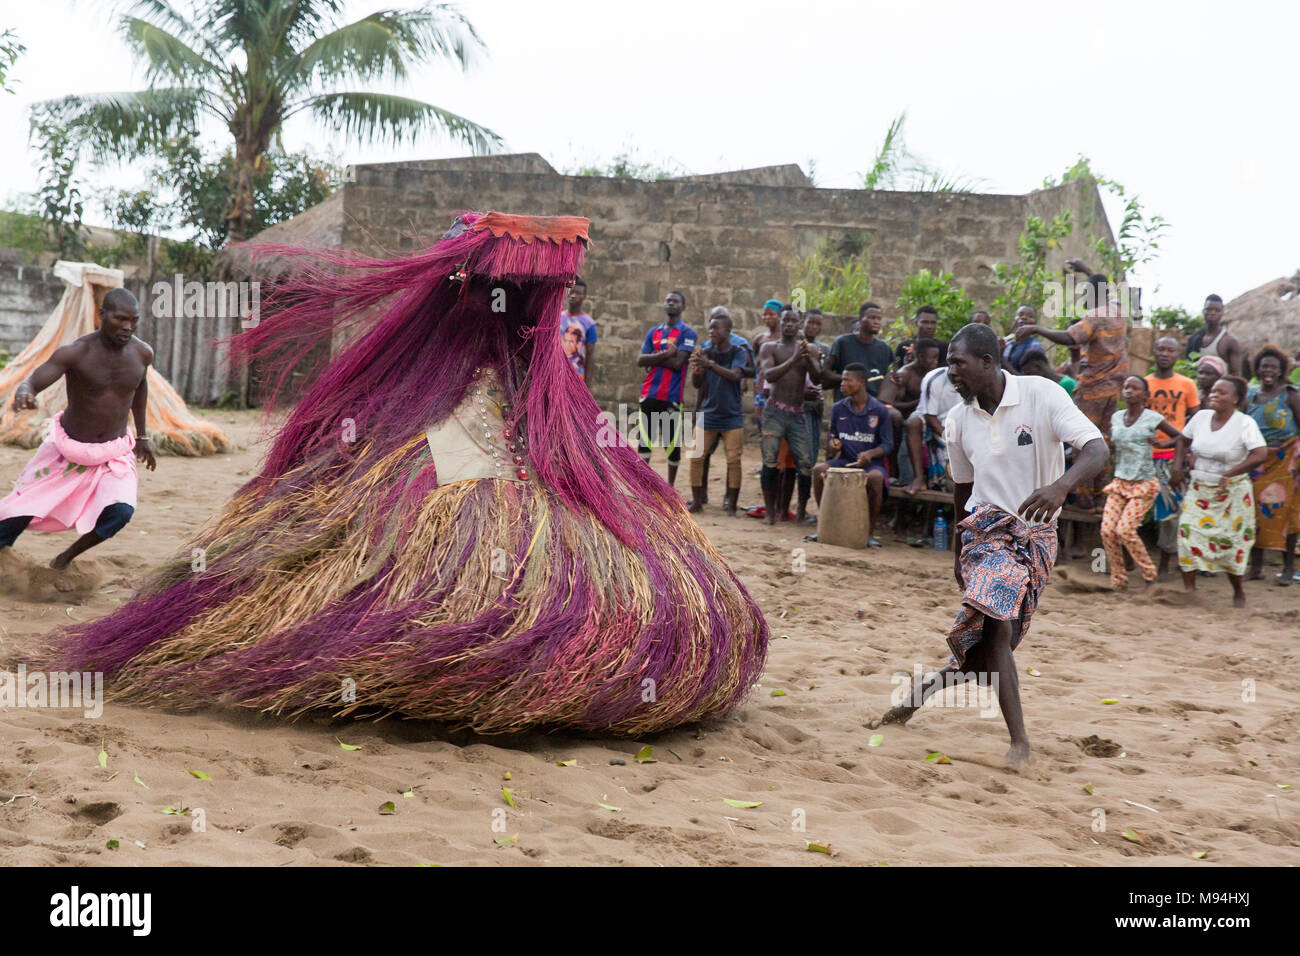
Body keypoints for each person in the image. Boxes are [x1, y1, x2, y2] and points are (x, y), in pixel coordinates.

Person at [50, 212, 768, 734]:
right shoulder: (460, 358)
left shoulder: (522, 360)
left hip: (491, 419)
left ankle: (425, 658)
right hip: (463, 423)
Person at [872, 323, 1107, 768]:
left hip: (1037, 536)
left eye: (957, 364)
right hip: (986, 533)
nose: (951, 374)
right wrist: (960, 548)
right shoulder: (959, 420)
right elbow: (964, 489)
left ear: (987, 361)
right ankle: (1020, 744)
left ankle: (920, 693)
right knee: (996, 626)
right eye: (947, 365)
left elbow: (1096, 450)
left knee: (987, 656)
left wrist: (1060, 487)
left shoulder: (1042, 394)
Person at [0, 288, 157, 570]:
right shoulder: (76, 352)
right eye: (120, 319)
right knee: (15, 514)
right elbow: (35, 379)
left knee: (120, 513)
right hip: (65, 453)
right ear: (102, 315)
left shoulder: (143, 353)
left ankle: (64, 559)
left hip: (113, 454)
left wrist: (143, 436)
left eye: (134, 320)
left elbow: (139, 388)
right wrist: (25, 390)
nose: (128, 327)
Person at [1016, 272, 1127, 508]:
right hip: (1112, 389)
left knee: (1082, 441)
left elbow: (1070, 337)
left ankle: (1084, 499)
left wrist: (1037, 329)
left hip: (1092, 390)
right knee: (1102, 440)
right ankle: (1101, 496)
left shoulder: (1096, 316)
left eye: (1085, 294)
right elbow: (1106, 286)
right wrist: (1085, 269)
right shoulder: (1117, 308)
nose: (1083, 300)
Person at [1172, 376, 1269, 608]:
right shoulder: (1200, 418)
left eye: (1221, 393)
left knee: (1231, 543)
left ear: (1235, 399)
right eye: (1213, 391)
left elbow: (1260, 454)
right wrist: (1177, 467)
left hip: (1231, 493)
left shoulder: (1244, 423)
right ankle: (1190, 592)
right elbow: (1182, 441)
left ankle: (1238, 591)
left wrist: (1232, 472)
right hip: (1199, 490)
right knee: (1187, 535)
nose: (1214, 395)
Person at [1099, 377, 1182, 591]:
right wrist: (1107, 440)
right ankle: (1119, 580)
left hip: (1143, 483)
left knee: (1125, 530)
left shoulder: (1152, 418)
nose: (1128, 391)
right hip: (1120, 481)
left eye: (1134, 388)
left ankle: (1149, 576)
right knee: (1107, 530)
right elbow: (1115, 443)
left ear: (1144, 395)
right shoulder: (1117, 417)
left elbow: (1180, 437)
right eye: (1126, 387)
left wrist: (1163, 443)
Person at [812, 364, 893, 547]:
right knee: (819, 470)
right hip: (845, 461)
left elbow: (888, 444)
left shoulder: (879, 410)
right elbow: (832, 438)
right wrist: (833, 444)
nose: (842, 383)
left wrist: (870, 454)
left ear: (861, 383)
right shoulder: (838, 408)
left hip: (871, 464)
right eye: (842, 379)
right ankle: (825, 524)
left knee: (876, 478)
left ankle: (868, 532)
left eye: (847, 380)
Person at [1243, 344, 1300, 585]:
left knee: (1287, 514)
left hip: (1287, 461)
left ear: (1281, 370)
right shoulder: (1249, 395)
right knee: (1254, 513)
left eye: (1273, 367)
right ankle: (1256, 567)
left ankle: (1287, 569)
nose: (1268, 371)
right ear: (1256, 369)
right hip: (1257, 461)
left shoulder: (1291, 394)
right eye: (1264, 366)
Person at [758, 309, 822, 524]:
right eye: (786, 320)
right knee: (770, 461)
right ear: (781, 322)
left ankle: (801, 512)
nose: (789, 324)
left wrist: (808, 359)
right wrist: (795, 359)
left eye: (794, 321)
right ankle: (769, 513)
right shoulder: (770, 347)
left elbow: (818, 377)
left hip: (797, 413)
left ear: (799, 324)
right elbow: (769, 375)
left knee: (805, 464)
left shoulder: (809, 349)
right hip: (774, 411)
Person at [1146, 336, 1200, 577]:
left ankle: (1166, 563)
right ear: (1154, 352)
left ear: (1177, 355)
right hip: (1145, 456)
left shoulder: (1187, 384)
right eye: (1161, 349)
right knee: (1143, 510)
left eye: (1170, 350)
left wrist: (1187, 451)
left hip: (1171, 456)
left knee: (1170, 511)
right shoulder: (1144, 383)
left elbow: (1195, 421)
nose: (1165, 353)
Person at [688, 312, 748, 516]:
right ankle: (697, 502)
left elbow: (734, 376)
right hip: (709, 413)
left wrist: (709, 365)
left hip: (732, 415)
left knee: (733, 460)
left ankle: (731, 505)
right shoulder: (706, 352)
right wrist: (697, 370)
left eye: (716, 328)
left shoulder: (738, 352)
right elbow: (698, 385)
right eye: (710, 328)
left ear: (728, 331)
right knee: (696, 456)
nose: (712, 331)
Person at [636, 290, 697, 487]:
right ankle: (643, 485)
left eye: (676, 301)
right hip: (649, 394)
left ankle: (670, 487)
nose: (671, 303)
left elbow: (679, 363)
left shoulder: (688, 333)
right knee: (645, 441)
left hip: (671, 396)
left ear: (683, 306)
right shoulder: (653, 332)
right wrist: (666, 354)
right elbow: (640, 360)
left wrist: (654, 357)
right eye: (668, 300)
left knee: (672, 444)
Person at [880, 339, 941, 487]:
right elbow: (889, 404)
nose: (935, 362)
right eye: (931, 358)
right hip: (907, 423)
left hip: (930, 422)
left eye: (937, 358)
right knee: (909, 431)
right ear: (920, 357)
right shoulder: (905, 374)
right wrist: (918, 403)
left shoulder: (936, 375)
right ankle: (905, 478)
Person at [902, 360, 962, 496]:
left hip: (959, 429)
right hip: (933, 426)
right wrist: (951, 441)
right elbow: (930, 417)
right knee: (913, 422)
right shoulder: (935, 378)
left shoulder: (975, 379)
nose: (954, 371)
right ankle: (918, 478)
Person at [824, 302, 893, 401]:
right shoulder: (843, 343)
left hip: (873, 405)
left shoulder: (885, 349)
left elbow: (890, 377)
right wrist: (849, 379)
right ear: (860, 319)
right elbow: (826, 372)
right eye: (872, 318)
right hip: (845, 402)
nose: (876, 322)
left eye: (879, 319)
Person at [1185, 294, 1242, 378]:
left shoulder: (1229, 341)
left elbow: (1236, 374)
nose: (1212, 313)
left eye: (1217, 310)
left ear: (1222, 313)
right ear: (1203, 311)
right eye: (1209, 309)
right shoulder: (1194, 339)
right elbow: (1188, 368)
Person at [802, 309, 832, 463]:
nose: (814, 327)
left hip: (817, 402)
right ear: (803, 323)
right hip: (800, 402)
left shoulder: (824, 349)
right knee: (805, 441)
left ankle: (810, 470)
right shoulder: (797, 346)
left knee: (814, 439)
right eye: (810, 322)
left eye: (818, 324)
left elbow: (825, 376)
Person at [559, 276, 597, 386]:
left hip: (576, 378)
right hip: (556, 374)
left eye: (578, 293)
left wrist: (587, 384)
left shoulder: (589, 324)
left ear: (584, 296)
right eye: (571, 291)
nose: (573, 295)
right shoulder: (557, 319)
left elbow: (590, 355)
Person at [750, 298, 783, 424]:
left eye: (771, 314)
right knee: (761, 418)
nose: (767, 317)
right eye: (765, 314)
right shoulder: (760, 339)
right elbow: (752, 363)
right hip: (761, 386)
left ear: (779, 316)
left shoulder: (786, 338)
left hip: (779, 386)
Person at [894, 305, 949, 369]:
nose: (929, 326)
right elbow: (896, 372)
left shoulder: (943, 347)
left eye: (933, 323)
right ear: (916, 323)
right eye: (925, 322)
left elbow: (941, 373)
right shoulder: (904, 347)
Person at [1002, 305, 1045, 373]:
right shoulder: (1008, 345)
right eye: (1020, 315)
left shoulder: (1035, 347)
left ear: (1035, 323)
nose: (1024, 317)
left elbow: (1029, 379)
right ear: (1014, 321)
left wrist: (1001, 359)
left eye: (1030, 316)